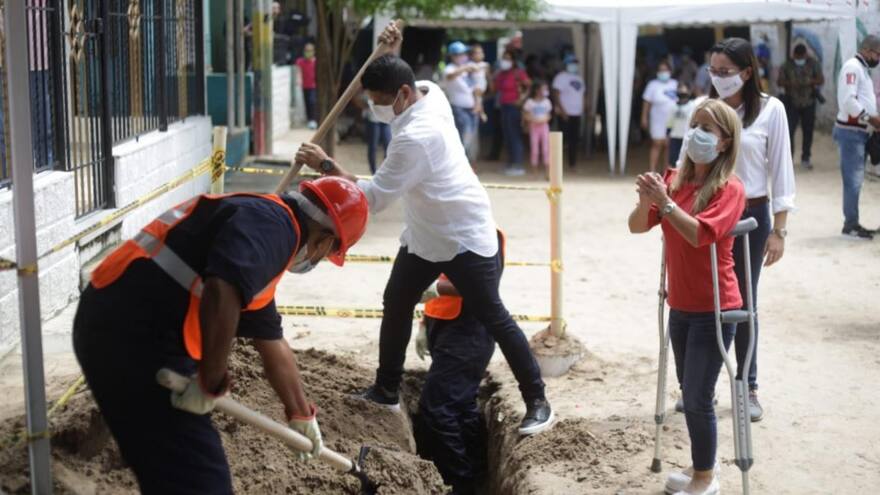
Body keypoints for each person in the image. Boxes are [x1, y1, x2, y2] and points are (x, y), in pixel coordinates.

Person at [294, 23, 553, 436]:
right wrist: (391, 51)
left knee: (494, 316)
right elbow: (402, 76)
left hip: (465, 234)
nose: (377, 109)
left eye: (380, 102)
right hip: (424, 234)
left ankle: (538, 401)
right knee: (396, 300)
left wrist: (325, 166)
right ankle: (386, 389)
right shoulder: (430, 90)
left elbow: (370, 201)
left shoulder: (416, 136)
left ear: (401, 95)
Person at [72, 178, 369, 493]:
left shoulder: (268, 233)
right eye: (326, 254)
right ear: (324, 241)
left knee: (175, 476)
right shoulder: (273, 227)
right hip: (132, 335)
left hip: (121, 323)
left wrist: (301, 414)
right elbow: (222, 289)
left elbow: (271, 341)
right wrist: (209, 380)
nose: (318, 260)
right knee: (201, 482)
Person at [629, 99, 746, 495]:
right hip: (680, 304)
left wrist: (663, 203)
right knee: (689, 389)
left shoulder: (730, 189)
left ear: (726, 142)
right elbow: (637, 226)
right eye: (695, 124)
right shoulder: (675, 180)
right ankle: (700, 466)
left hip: (716, 307)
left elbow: (699, 235)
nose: (697, 133)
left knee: (697, 395)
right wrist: (649, 199)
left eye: (708, 128)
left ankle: (706, 478)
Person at [707, 37, 795, 421]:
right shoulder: (705, 109)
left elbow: (781, 170)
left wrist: (779, 230)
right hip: (710, 216)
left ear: (746, 73)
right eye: (713, 71)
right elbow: (687, 162)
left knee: (744, 303)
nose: (718, 78)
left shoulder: (771, 111)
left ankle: (747, 386)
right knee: (705, 302)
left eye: (725, 72)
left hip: (752, 217)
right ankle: (702, 383)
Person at [415, 231, 505, 495]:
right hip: (443, 326)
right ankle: (475, 478)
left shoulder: (486, 234)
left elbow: (482, 285)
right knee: (460, 407)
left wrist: (435, 289)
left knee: (437, 407)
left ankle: (460, 483)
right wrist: (424, 323)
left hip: (469, 331)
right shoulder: (438, 230)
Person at [833, 35, 880, 239]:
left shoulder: (862, 69)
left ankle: (853, 223)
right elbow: (848, 101)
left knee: (856, 180)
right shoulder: (853, 67)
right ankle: (850, 225)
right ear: (868, 51)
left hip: (861, 133)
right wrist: (871, 118)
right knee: (853, 180)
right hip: (852, 133)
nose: (878, 58)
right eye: (877, 54)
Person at [778, 43, 824, 170]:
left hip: (809, 102)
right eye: (797, 56)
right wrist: (792, 83)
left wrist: (809, 82)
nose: (799, 58)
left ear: (805, 54)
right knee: (789, 131)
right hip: (792, 102)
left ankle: (806, 158)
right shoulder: (787, 65)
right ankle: (789, 159)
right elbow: (779, 81)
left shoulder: (813, 64)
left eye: (801, 56)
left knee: (808, 131)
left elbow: (821, 79)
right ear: (794, 55)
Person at [494, 49, 531, 176]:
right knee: (508, 136)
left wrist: (521, 99)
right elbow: (495, 88)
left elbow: (529, 86)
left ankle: (518, 164)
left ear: (513, 61)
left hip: (514, 107)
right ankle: (511, 163)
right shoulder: (501, 74)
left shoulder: (518, 73)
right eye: (504, 58)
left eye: (508, 59)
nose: (505, 61)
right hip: (503, 106)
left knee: (515, 135)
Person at [444, 41, 479, 161]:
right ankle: (458, 162)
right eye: (461, 54)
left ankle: (467, 164)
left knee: (471, 137)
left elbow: (474, 89)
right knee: (464, 135)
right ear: (453, 56)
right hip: (458, 108)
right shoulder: (450, 68)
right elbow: (450, 76)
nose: (464, 56)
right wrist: (465, 68)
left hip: (472, 108)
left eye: (465, 53)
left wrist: (477, 104)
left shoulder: (466, 70)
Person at [642, 61, 679, 173]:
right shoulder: (652, 85)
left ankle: (665, 171)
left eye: (665, 70)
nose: (663, 73)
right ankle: (652, 170)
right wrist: (644, 117)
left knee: (668, 145)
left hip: (672, 119)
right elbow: (647, 102)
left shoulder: (675, 84)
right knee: (657, 143)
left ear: (670, 71)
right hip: (657, 119)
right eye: (661, 70)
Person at [552, 55, 586, 168]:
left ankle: (572, 163)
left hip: (576, 113)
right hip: (565, 113)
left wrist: (586, 106)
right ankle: (558, 164)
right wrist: (562, 110)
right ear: (566, 64)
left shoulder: (579, 78)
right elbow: (556, 94)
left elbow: (583, 95)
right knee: (561, 140)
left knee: (574, 139)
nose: (574, 65)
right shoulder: (561, 77)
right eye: (572, 63)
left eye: (576, 63)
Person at [355, 89, 391, 174]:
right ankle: (373, 172)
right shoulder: (369, 87)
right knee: (373, 146)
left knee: (388, 146)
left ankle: (385, 172)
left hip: (386, 119)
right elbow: (357, 97)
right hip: (373, 119)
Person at [523, 80, 552, 176]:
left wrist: (544, 120)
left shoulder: (547, 102)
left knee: (546, 149)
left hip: (544, 127)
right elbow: (525, 115)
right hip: (534, 127)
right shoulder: (530, 102)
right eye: (544, 89)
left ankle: (547, 169)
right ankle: (534, 169)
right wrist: (532, 120)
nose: (545, 91)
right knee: (535, 149)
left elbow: (549, 115)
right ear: (537, 90)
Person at [667, 83, 697, 169]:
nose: (682, 92)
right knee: (672, 159)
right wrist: (668, 133)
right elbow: (669, 121)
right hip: (674, 136)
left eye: (684, 89)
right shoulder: (672, 105)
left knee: (684, 159)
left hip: (687, 136)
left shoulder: (692, 105)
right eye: (679, 89)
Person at [296, 42, 318, 129]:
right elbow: (298, 72)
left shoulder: (316, 62)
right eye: (306, 50)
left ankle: (313, 119)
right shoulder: (300, 62)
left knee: (312, 101)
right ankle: (310, 120)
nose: (308, 52)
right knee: (307, 103)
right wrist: (298, 80)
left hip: (313, 86)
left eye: (310, 50)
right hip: (304, 86)